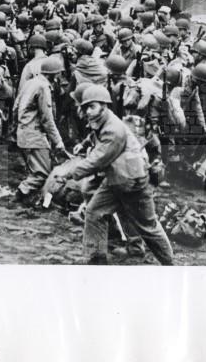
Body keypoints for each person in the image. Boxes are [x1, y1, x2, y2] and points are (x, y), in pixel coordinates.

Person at [64, 85, 174, 265]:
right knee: (95, 212)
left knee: (148, 226)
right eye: (86, 107)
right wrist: (84, 144)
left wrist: (69, 173)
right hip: (118, 178)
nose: (87, 111)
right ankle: (97, 259)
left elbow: (98, 159)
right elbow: (95, 136)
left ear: (103, 106)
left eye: (91, 106)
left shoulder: (113, 129)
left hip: (132, 181)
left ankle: (171, 265)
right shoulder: (103, 120)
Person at [12, 55, 68, 203]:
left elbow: (15, 107)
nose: (60, 76)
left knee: (34, 169)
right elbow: (47, 119)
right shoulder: (43, 87)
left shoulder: (30, 83)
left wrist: (15, 128)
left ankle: (30, 198)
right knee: (42, 174)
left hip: (23, 132)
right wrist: (58, 141)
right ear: (53, 74)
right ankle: (20, 193)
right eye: (59, 73)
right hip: (34, 135)